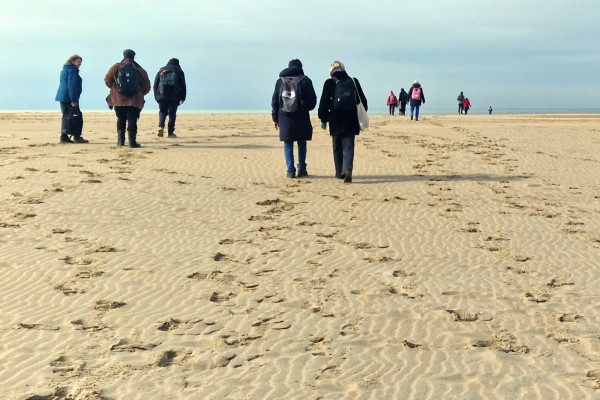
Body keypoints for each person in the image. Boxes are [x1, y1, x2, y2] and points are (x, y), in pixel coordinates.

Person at [318, 60, 368, 183]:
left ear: (331, 71)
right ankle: (348, 169)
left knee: (337, 146)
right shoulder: (353, 81)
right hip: (351, 117)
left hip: (335, 118)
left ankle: (339, 172)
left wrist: (323, 118)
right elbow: (363, 101)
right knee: (349, 146)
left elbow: (323, 103)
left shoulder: (329, 82)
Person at [271, 59, 317, 178]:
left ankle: (290, 171)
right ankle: (301, 169)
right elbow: (312, 102)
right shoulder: (305, 81)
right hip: (301, 116)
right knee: (302, 143)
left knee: (288, 143)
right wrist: (304, 105)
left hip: (284, 117)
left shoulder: (280, 81)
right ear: (301, 67)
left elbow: (275, 101)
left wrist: (275, 118)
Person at [104, 49, 151, 148]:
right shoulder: (140, 70)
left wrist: (115, 90)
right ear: (133, 57)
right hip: (134, 100)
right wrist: (141, 93)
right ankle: (132, 142)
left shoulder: (115, 67)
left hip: (118, 100)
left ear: (124, 56)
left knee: (120, 118)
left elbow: (107, 80)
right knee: (132, 119)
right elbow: (147, 86)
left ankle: (120, 141)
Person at [55, 54, 88, 143]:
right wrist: (73, 100)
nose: (80, 65)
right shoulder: (72, 71)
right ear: (73, 61)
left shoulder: (64, 70)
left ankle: (64, 136)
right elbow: (72, 86)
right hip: (69, 97)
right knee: (76, 117)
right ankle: (76, 137)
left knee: (66, 117)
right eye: (79, 62)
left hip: (63, 96)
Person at [153, 58, 187, 138]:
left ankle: (161, 127)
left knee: (162, 111)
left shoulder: (161, 70)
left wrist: (156, 96)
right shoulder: (179, 71)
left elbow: (155, 85)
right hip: (174, 96)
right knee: (172, 114)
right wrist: (183, 97)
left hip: (161, 95)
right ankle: (170, 133)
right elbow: (183, 85)